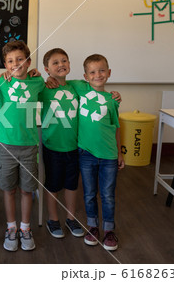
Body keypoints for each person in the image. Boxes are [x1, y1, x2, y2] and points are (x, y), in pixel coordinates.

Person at [0, 41, 45, 252]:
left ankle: (25, 228)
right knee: (8, 188)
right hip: (6, 145)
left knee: (27, 189)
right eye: (10, 61)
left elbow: (51, 88)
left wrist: (41, 76)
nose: (16, 64)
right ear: (5, 64)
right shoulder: (1, 81)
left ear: (28, 62)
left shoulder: (37, 82)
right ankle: (11, 228)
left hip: (29, 145)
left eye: (20, 59)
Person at [68, 54, 125, 251]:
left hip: (109, 155)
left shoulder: (112, 100)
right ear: (86, 76)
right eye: (92, 72)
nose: (97, 75)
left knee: (108, 194)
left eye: (102, 71)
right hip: (86, 154)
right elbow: (60, 79)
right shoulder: (80, 89)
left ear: (109, 73)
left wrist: (119, 153)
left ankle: (109, 230)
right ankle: (92, 227)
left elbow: (116, 127)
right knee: (89, 193)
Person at [39, 48, 84, 239]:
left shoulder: (77, 86)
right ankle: (53, 218)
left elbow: (98, 88)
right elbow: (29, 84)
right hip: (53, 146)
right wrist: (40, 77)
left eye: (64, 61)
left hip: (74, 146)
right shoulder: (43, 88)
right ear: (47, 69)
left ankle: (71, 217)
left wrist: (114, 94)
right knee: (53, 184)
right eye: (55, 63)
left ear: (70, 65)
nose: (61, 65)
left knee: (72, 185)